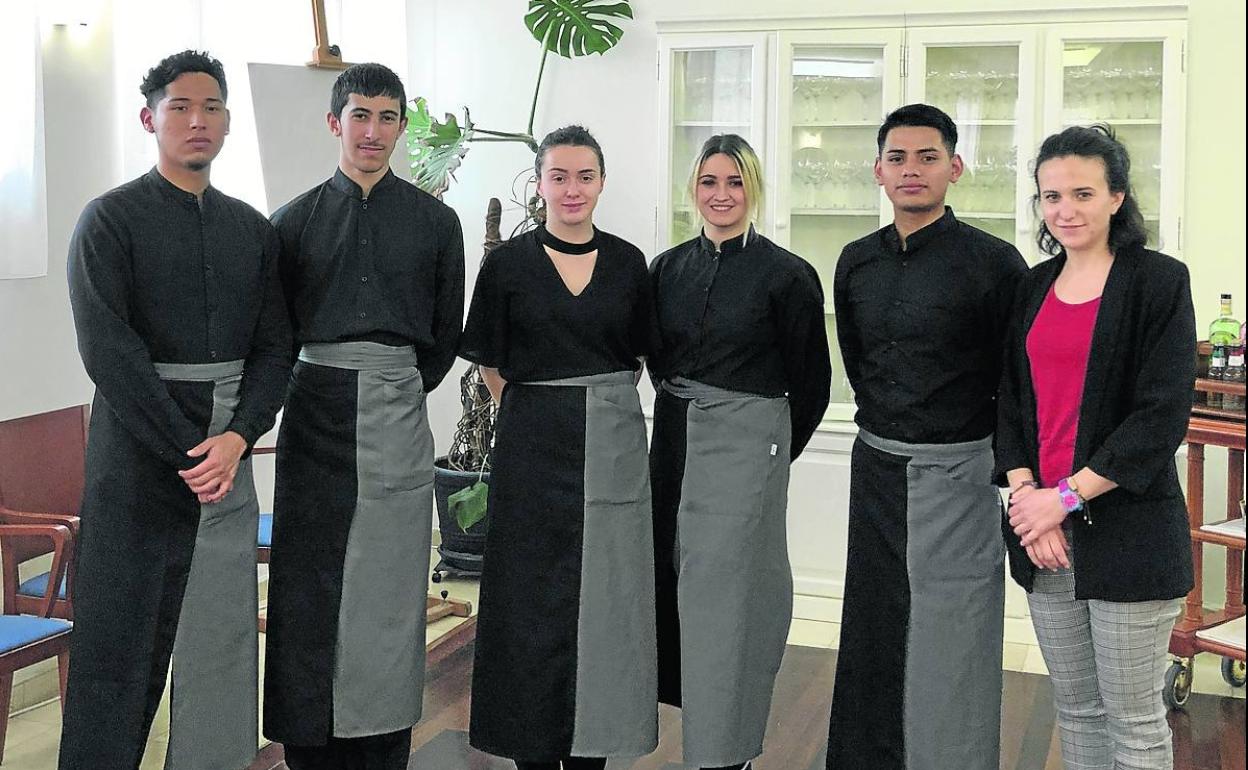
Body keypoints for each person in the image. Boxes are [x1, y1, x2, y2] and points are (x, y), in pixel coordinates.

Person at [61, 50, 291, 770]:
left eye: (212, 108)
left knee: (221, 643)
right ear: (149, 118)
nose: (198, 121)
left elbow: (276, 347)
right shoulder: (108, 221)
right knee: (117, 652)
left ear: (227, 122)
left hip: (227, 455)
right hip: (138, 460)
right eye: (181, 107)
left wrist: (241, 435)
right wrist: (195, 450)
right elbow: (110, 354)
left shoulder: (252, 230)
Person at [262, 62, 465, 770]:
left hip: (398, 411)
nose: (373, 131)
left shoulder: (438, 223)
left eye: (387, 117)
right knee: (307, 581)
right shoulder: (289, 224)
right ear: (334, 123)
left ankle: (382, 741)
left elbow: (442, 338)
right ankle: (308, 744)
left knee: (391, 587)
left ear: (402, 127)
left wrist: (391, 384)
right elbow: (275, 337)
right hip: (313, 413)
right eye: (360, 116)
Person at [826, 103, 1028, 770]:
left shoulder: (998, 265)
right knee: (874, 629)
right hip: (877, 469)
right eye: (898, 158)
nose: (911, 171)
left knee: (957, 633)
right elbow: (857, 364)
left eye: (928, 157)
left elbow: (1015, 380)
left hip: (961, 475)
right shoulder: (855, 263)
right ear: (878, 171)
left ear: (956, 167)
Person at [996, 124, 1195, 770]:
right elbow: (1011, 401)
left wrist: (1063, 498)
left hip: (1128, 532)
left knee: (1134, 721)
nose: (1065, 210)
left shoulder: (1159, 282)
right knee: (1076, 711)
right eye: (1051, 196)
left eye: (1082, 193)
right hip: (1043, 536)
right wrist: (1027, 499)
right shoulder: (1031, 286)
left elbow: (1159, 417)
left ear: (1116, 197)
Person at [462, 125, 659, 770]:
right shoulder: (508, 263)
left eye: (585, 176)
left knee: (610, 596)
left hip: (612, 448)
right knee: (530, 596)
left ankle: (596, 744)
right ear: (539, 183)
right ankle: (533, 747)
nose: (572, 190)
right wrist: (538, 411)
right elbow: (490, 364)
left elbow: (639, 359)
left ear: (602, 182)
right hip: (532, 447)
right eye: (559, 176)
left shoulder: (630, 263)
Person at [647, 134, 831, 770]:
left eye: (734, 182)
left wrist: (764, 450)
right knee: (673, 586)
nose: (721, 196)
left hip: (748, 450)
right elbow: (658, 363)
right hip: (674, 445)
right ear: (692, 190)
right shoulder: (667, 269)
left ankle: (728, 750)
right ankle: (689, 725)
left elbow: (810, 385)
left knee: (735, 599)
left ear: (753, 189)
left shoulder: (788, 276)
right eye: (708, 183)